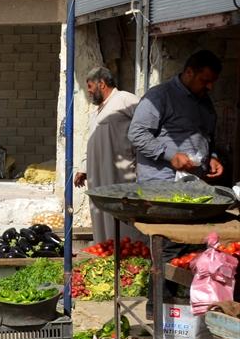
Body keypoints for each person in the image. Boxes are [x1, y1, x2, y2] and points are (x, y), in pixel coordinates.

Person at [128, 50, 224, 183]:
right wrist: (170, 155)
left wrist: (212, 157)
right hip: (160, 184)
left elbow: (207, 137)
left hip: (193, 183)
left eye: (213, 82)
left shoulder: (205, 102)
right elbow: (137, 133)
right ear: (189, 72)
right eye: (204, 80)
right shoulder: (159, 96)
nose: (210, 87)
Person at [73, 68, 140, 243]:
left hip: (119, 174)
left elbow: (146, 127)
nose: (87, 91)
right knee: (101, 216)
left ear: (101, 84)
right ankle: (106, 253)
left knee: (120, 219)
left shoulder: (126, 100)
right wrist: (84, 168)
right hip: (98, 175)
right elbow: (93, 142)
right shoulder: (97, 112)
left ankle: (127, 255)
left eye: (89, 86)